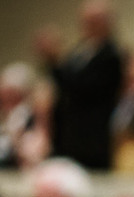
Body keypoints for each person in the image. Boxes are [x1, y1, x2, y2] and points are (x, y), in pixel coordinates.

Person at [34, 0, 124, 170]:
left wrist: (55, 61)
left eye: (93, 20)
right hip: (68, 136)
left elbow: (85, 89)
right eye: (85, 20)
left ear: (107, 22)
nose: (87, 25)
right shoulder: (80, 51)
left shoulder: (111, 55)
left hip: (91, 140)